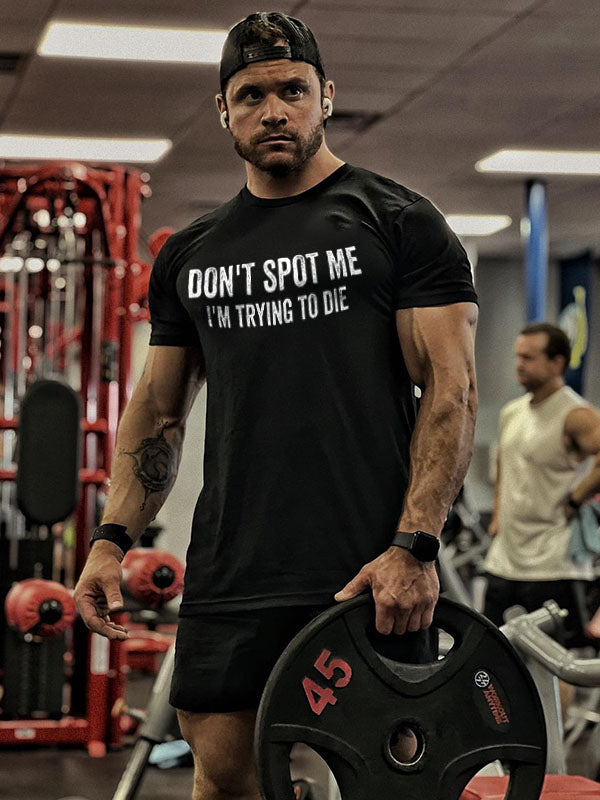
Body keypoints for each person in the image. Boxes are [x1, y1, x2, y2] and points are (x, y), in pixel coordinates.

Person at [74, 12, 478, 800]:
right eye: (251, 95)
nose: (274, 111)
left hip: (365, 567)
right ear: (223, 110)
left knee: (386, 780)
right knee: (224, 778)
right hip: (234, 566)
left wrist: (416, 546)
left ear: (325, 95)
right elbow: (157, 412)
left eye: (292, 90)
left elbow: (453, 390)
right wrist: (111, 539)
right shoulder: (192, 255)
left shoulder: (398, 222)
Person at [484, 322, 600, 640]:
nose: (519, 364)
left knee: (553, 662)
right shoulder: (511, 411)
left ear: (557, 363)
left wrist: (576, 498)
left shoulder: (574, 414)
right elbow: (503, 462)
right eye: (517, 356)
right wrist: (497, 514)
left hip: (552, 562)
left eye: (529, 357)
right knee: (489, 656)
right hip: (504, 560)